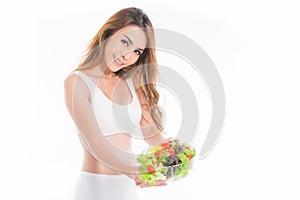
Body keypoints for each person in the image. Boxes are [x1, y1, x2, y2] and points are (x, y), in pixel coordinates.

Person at [64, 7, 169, 200]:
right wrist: (133, 169)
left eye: (136, 51)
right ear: (108, 34)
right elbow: (96, 143)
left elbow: (152, 136)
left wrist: (175, 151)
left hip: (127, 189)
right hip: (94, 189)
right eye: (124, 42)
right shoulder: (77, 82)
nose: (127, 56)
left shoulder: (134, 84)